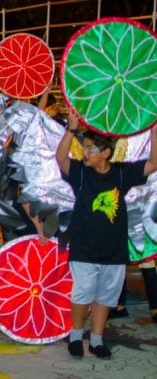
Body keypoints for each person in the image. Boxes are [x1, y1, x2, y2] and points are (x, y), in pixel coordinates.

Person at [56, 113, 157, 359]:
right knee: (83, 293)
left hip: (113, 250)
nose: (85, 152)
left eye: (90, 148)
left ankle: (97, 340)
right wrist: (70, 131)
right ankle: (77, 336)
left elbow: (153, 163)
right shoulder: (80, 172)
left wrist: (154, 130)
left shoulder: (122, 174)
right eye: (85, 147)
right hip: (84, 247)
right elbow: (61, 159)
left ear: (105, 153)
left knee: (106, 297)